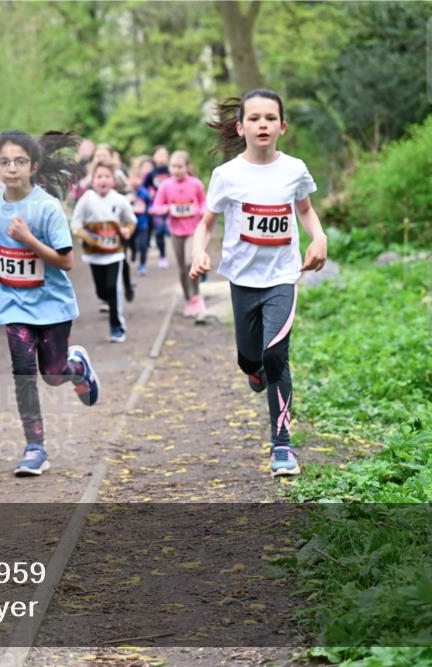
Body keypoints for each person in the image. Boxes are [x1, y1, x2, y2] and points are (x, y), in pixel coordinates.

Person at [190, 89, 328, 477]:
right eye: (254, 118)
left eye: (270, 118)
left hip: (282, 276)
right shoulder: (227, 175)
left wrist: (319, 237)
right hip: (242, 278)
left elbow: (305, 209)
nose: (262, 124)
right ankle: (254, 370)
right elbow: (206, 224)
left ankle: (282, 445)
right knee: (250, 359)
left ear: (282, 126)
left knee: (275, 355)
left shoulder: (294, 170)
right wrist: (199, 252)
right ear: (241, 127)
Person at [0, 130, 100, 476]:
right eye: (5, 162)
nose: (12, 168)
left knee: (53, 374)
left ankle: (77, 367)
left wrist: (28, 239)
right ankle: (35, 448)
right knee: (23, 373)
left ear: (33, 167)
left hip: (52, 306)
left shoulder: (47, 208)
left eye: (20, 161)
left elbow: (66, 261)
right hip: (14, 304)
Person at [72, 159, 137, 343]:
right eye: (99, 176)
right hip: (93, 254)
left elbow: (131, 221)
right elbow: (76, 223)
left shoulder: (119, 200)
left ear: (113, 181)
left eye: (107, 176)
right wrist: (87, 237)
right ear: (92, 180)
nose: (103, 180)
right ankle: (107, 300)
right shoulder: (86, 200)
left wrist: (127, 230)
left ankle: (117, 327)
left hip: (115, 253)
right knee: (101, 291)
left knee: (112, 288)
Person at [151, 150, 207, 319]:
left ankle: (196, 295)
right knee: (182, 268)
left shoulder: (196, 184)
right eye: (173, 166)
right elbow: (155, 207)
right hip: (175, 231)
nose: (176, 170)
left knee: (191, 262)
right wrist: (165, 209)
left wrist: (199, 210)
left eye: (180, 166)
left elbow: (204, 204)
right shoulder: (165, 186)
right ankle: (188, 299)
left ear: (187, 167)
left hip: (193, 230)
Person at [142, 145, 171, 268]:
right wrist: (148, 199)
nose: (162, 157)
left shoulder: (172, 171)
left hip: (171, 206)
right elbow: (143, 189)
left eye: (164, 155)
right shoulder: (151, 174)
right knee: (159, 233)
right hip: (157, 207)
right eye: (159, 155)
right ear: (153, 157)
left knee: (172, 231)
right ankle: (163, 255)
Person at [127, 157, 154, 275]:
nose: (134, 181)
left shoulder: (144, 192)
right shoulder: (126, 193)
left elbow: (150, 204)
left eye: (137, 178)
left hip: (143, 223)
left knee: (143, 244)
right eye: (132, 178)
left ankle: (142, 265)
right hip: (129, 224)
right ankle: (133, 251)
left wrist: (149, 210)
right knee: (131, 243)